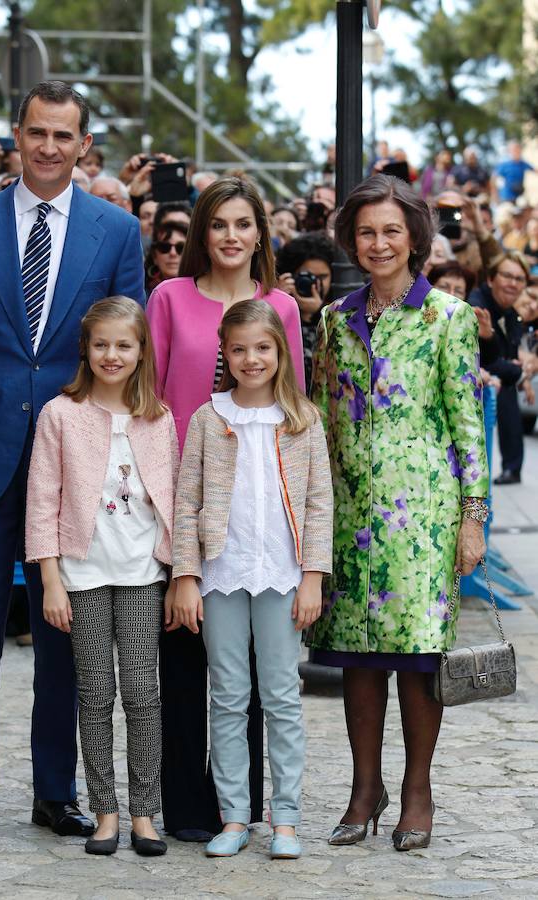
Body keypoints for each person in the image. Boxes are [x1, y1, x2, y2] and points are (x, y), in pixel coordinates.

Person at [0, 80, 145, 841]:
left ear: (84, 143)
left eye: (64, 135)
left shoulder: (115, 232)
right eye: (37, 132)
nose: (49, 147)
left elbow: (127, 356)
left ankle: (56, 791)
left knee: (65, 642)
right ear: (17, 135)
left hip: (77, 469)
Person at [310, 174, 488, 851]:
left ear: (414, 238)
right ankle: (364, 789)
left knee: (416, 659)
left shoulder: (444, 316)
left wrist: (471, 518)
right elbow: (325, 421)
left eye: (390, 230)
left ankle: (417, 790)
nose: (378, 243)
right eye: (365, 232)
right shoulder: (334, 318)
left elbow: (465, 423)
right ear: (350, 240)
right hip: (350, 512)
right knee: (356, 658)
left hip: (423, 518)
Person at [146, 176, 305, 842]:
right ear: (201, 234)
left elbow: (294, 418)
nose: (231, 237)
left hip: (259, 517)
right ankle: (189, 805)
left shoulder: (280, 309)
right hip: (178, 503)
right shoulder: (169, 299)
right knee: (186, 665)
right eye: (218, 225)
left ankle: (250, 810)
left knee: (260, 677)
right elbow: (147, 402)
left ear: (260, 234)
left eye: (244, 224)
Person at [172, 300, 332, 859]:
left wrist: (312, 575)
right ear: (225, 354)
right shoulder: (207, 419)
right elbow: (187, 500)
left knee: (282, 695)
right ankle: (235, 815)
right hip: (222, 573)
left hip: (283, 575)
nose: (251, 358)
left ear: (280, 352)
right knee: (229, 695)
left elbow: (319, 504)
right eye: (238, 349)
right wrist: (186, 575)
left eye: (262, 347)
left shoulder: (304, 420)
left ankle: (285, 818)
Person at [25, 297, 177, 858]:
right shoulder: (60, 415)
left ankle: (144, 812)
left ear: (141, 352)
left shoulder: (159, 418)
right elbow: (42, 500)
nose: (112, 355)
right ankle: (104, 810)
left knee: (142, 692)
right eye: (101, 344)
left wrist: (179, 571)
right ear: (86, 349)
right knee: (93, 694)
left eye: (124, 345)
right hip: (81, 573)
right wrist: (51, 579)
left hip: (142, 574)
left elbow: (176, 501)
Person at [469, 251, 533, 484]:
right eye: (507, 276)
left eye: (519, 279)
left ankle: (512, 469)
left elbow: (508, 357)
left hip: (497, 380)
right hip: (472, 381)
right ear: (491, 279)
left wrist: (517, 370)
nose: (513, 284)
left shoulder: (511, 313)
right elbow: (487, 359)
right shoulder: (477, 304)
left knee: (507, 391)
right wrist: (518, 373)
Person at [276, 231, 335, 390]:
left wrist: (318, 314)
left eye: (322, 277)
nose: (313, 283)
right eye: (307, 276)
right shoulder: (277, 307)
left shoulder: (339, 313)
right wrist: (278, 301)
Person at [144, 221, 188, 297]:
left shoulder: (204, 290)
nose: (173, 253)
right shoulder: (140, 293)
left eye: (181, 247)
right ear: (154, 256)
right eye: (164, 247)